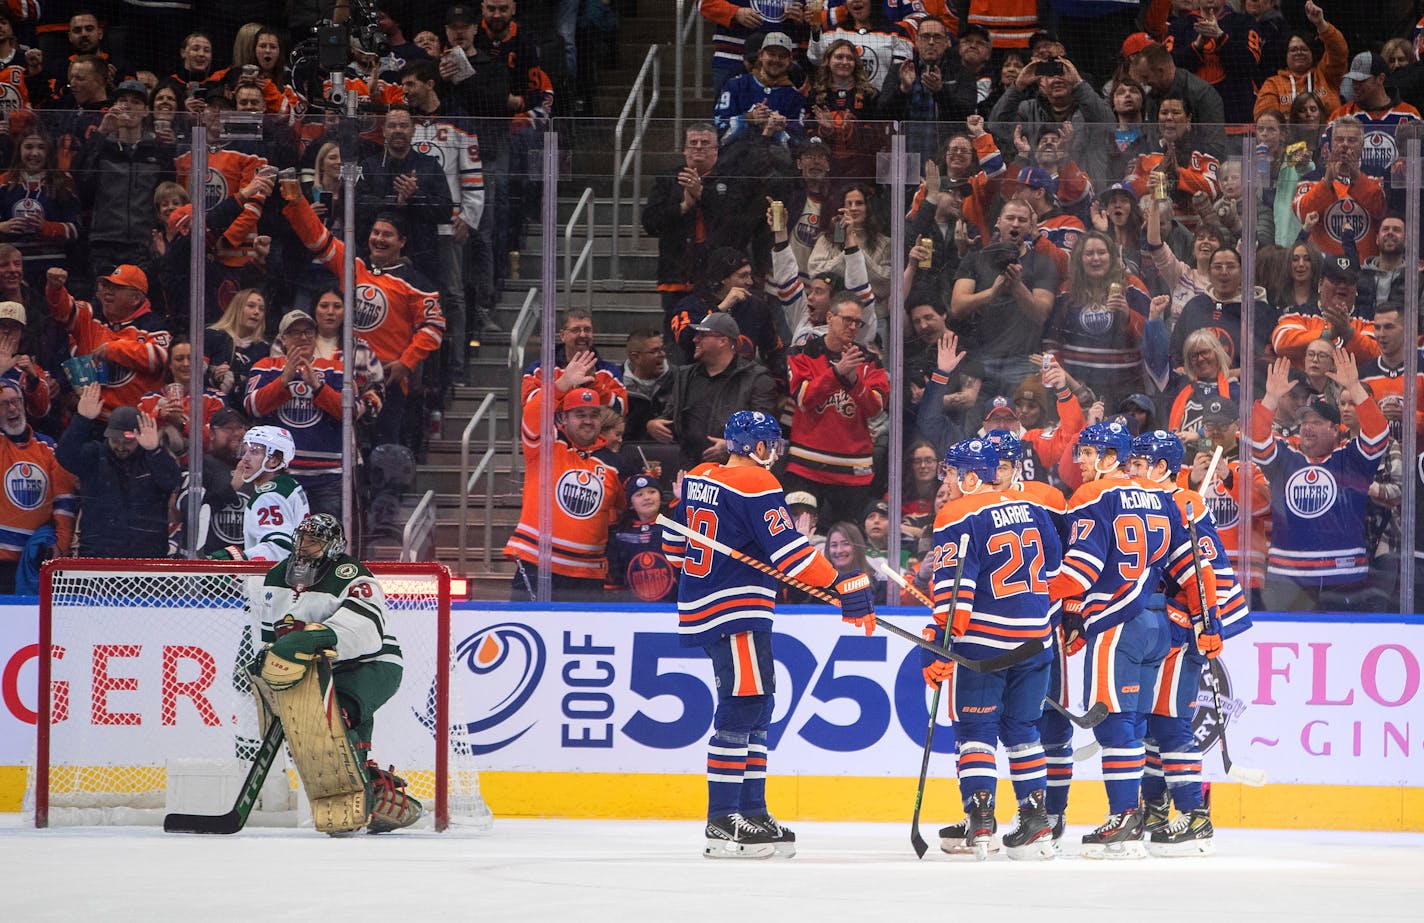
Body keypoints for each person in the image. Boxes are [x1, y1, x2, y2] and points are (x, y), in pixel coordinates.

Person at [663, 410, 876, 858]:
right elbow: (790, 553)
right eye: (771, 444)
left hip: (713, 605)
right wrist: (840, 582)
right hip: (734, 608)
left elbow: (675, 551)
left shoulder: (701, 476)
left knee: (760, 703)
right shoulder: (757, 483)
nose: (774, 453)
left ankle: (752, 810)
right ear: (756, 447)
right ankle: (722, 819)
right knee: (743, 706)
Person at [1048, 420, 1205, 859]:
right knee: (1136, 721)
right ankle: (1139, 815)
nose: (1079, 461)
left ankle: (1125, 818)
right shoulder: (1161, 497)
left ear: (1110, 457)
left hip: (1117, 624)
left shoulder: (1092, 496)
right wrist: (1209, 622)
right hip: (1159, 624)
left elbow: (1081, 567)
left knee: (1114, 722)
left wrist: (1033, 593)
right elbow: (1188, 566)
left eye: (1087, 452)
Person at [921, 436, 1061, 860]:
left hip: (985, 645)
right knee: (1023, 731)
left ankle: (981, 818)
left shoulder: (956, 512)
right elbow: (1053, 566)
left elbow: (954, 588)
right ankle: (1035, 818)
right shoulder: (1032, 505)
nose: (946, 480)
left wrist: (940, 644)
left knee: (976, 732)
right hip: (1037, 639)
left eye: (950, 472)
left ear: (967, 476)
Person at [250, 512, 422, 833]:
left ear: (332, 545)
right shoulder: (275, 576)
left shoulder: (351, 573)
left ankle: (366, 797)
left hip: (373, 663)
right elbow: (269, 634)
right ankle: (372, 788)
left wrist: (317, 636)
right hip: (320, 670)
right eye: (302, 539)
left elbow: (366, 627)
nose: (305, 547)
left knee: (334, 717)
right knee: (316, 725)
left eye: (314, 541)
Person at [1127, 429, 1250, 857]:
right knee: (1149, 719)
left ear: (1161, 468)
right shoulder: (1159, 502)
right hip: (1161, 628)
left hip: (1186, 627)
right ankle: (1158, 808)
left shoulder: (1184, 505)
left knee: (1170, 718)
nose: (1130, 471)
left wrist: (1209, 624)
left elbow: (1204, 574)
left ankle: (1194, 815)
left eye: (1138, 465)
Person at [280, 184, 444, 448]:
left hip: (386, 378)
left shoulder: (417, 284)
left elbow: (433, 328)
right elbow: (318, 239)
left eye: (387, 235)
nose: (379, 239)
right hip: (341, 372)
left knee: (382, 451)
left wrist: (406, 363)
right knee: (338, 445)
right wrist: (297, 201)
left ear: (402, 242)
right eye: (375, 232)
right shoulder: (353, 265)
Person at [1252, 354, 1389, 612]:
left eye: (1316, 422)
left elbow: (1379, 434)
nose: (1307, 428)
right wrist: (1270, 398)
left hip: (1344, 578)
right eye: (1304, 422)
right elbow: (1256, 441)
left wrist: (1355, 387)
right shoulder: (1286, 459)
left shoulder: (1350, 460)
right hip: (1288, 580)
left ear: (1336, 430)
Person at [503, 366, 625, 601]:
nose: (588, 421)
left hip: (588, 574)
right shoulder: (545, 446)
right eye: (580, 414)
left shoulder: (614, 464)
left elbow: (619, 510)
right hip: (538, 564)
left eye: (594, 414)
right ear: (564, 418)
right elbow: (532, 412)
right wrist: (561, 384)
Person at [783, 291, 889, 525]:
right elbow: (804, 398)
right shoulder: (801, 353)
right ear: (830, 317)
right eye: (847, 320)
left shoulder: (870, 360)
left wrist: (853, 381)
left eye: (857, 322)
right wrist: (837, 373)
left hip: (853, 472)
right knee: (798, 536)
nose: (853, 327)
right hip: (805, 468)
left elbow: (876, 408)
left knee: (847, 542)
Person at [56, 384, 181, 558]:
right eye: (115, 440)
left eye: (127, 442)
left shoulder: (152, 458)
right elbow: (65, 455)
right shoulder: (95, 456)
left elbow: (171, 481)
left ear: (138, 437)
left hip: (146, 560)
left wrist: (155, 451)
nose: (120, 447)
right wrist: (82, 419)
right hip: (99, 558)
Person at [646, 313, 778, 472]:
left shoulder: (756, 378)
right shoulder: (685, 376)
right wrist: (653, 424)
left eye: (702, 335)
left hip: (736, 471)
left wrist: (733, 446)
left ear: (723, 341)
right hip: (692, 469)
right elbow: (668, 416)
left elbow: (765, 431)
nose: (695, 339)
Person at [45, 264, 171, 419]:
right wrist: (55, 289)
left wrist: (113, 350)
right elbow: (63, 311)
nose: (107, 291)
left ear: (136, 298)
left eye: (117, 287)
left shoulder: (152, 325)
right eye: (106, 285)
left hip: (135, 421)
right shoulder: (91, 314)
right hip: (92, 417)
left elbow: (159, 358)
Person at [0, 377, 75, 592]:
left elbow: (65, 502)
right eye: (4, 404)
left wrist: (61, 545)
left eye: (16, 401)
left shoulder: (48, 447)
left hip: (34, 560)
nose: (12, 408)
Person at [207, 423, 310, 563]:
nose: (245, 458)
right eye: (245, 450)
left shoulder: (269, 495)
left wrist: (241, 558)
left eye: (254, 452)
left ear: (273, 460)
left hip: (273, 581)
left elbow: (280, 546)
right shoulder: (288, 484)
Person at [521, 307, 627, 414]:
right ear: (563, 335)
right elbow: (530, 408)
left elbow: (621, 410)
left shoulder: (609, 371)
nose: (582, 335)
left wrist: (593, 384)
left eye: (587, 330)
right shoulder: (539, 370)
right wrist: (564, 383)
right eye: (576, 330)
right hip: (554, 431)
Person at [1253, 2, 1347, 120]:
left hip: (1328, 137)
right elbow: (1265, 120)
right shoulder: (1273, 85)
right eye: (1293, 50)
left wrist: (1320, 23)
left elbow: (1339, 50)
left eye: (1304, 49)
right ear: (1285, 56)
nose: (1299, 52)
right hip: (1289, 138)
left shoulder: (1326, 76)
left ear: (1312, 54)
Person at [604, 473, 677, 603]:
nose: (647, 497)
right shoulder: (621, 536)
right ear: (630, 503)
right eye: (639, 494)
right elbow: (615, 582)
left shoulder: (674, 527)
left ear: (661, 496)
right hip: (634, 613)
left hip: (672, 609)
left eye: (652, 492)